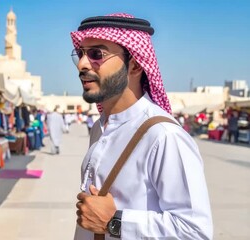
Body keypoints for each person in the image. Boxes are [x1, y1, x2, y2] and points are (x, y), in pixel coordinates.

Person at [70, 13, 213, 239]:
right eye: (80, 54)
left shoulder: (163, 136)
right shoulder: (100, 128)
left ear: (135, 65)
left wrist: (115, 222)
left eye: (96, 54)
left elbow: (195, 231)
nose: (82, 64)